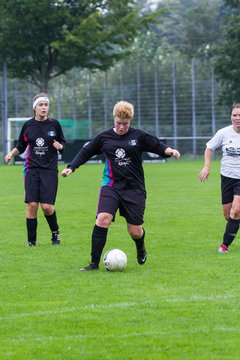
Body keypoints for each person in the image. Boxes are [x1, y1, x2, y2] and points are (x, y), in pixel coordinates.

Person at [61, 100, 180, 270]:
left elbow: (158, 146)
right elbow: (86, 152)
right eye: (118, 123)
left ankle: (140, 246)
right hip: (111, 185)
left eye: (125, 124)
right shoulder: (104, 137)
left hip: (134, 188)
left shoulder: (138, 136)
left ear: (129, 121)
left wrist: (169, 151)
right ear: (114, 119)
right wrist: (71, 168)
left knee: (134, 231)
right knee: (103, 219)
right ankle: (94, 263)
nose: (122, 127)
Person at [5, 92, 66, 247]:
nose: (44, 107)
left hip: (50, 170)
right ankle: (31, 242)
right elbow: (21, 145)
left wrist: (60, 146)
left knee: (46, 207)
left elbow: (62, 143)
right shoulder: (28, 126)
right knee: (32, 204)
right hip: (32, 169)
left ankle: (55, 232)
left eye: (46, 104)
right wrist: (11, 154)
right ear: (35, 108)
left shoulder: (54, 125)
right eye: (41, 105)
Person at [199, 102, 240, 253]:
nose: (237, 118)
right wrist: (206, 167)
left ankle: (224, 246)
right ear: (231, 116)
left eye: (239, 115)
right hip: (227, 178)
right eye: (234, 115)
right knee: (228, 215)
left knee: (235, 211)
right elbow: (209, 148)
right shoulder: (223, 133)